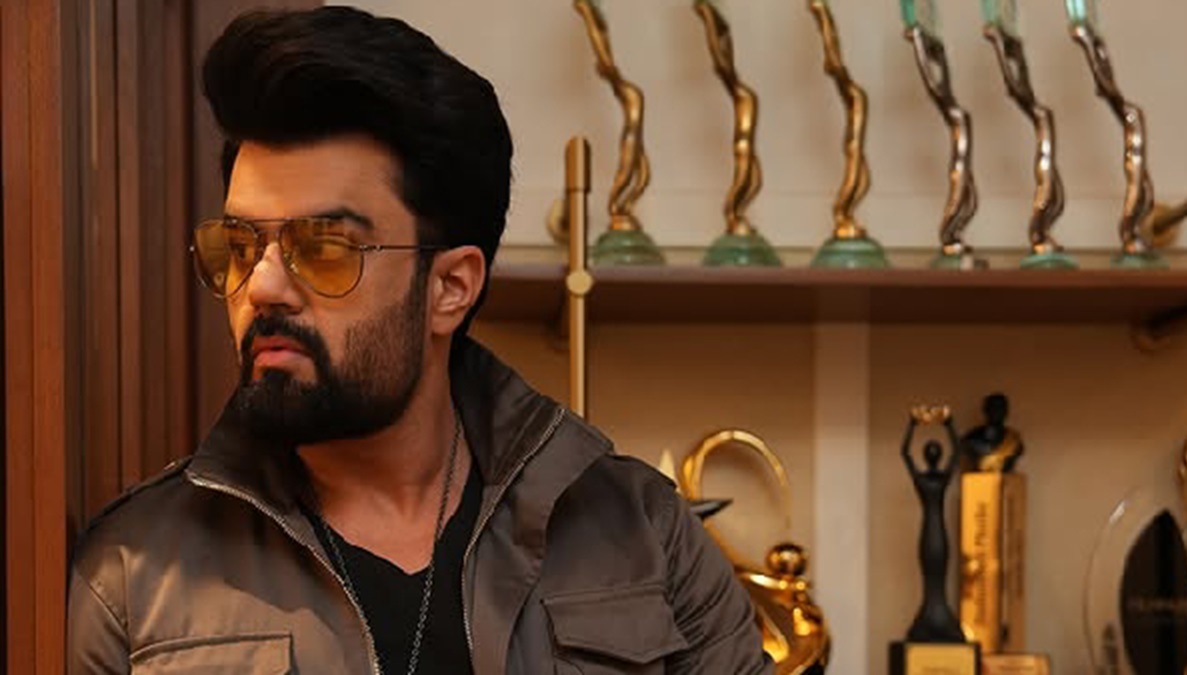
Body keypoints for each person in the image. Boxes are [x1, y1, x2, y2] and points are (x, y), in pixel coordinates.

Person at [67, 6, 770, 674]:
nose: (263, 286)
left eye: (325, 248)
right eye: (241, 246)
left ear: (450, 287)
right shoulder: (134, 572)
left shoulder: (645, 534)